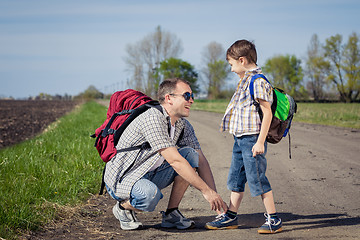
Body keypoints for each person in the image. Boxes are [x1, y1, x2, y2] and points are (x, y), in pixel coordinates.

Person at [104, 78, 228, 230]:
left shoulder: (182, 124)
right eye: (187, 96)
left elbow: (201, 160)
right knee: (149, 196)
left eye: (192, 96)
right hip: (124, 177)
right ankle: (123, 208)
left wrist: (214, 197)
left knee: (190, 155)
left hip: (149, 172)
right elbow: (175, 161)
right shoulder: (152, 118)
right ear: (169, 98)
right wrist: (206, 191)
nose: (192, 100)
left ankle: (171, 214)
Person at [205, 40, 283, 234]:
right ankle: (231, 216)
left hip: (252, 139)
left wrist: (259, 142)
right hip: (240, 139)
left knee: (257, 179)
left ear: (242, 60)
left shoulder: (258, 82)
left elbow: (267, 114)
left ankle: (273, 219)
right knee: (236, 178)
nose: (231, 69)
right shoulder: (246, 80)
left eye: (231, 64)